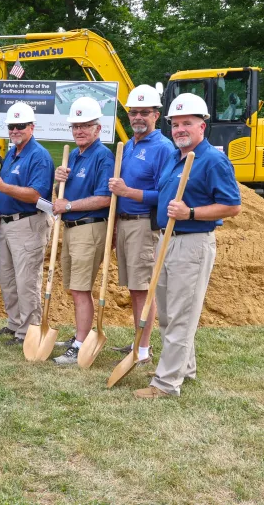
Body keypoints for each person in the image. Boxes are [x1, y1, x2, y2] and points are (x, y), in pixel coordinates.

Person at [134, 93, 241, 398]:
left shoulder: (213, 160)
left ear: (202, 127)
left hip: (192, 244)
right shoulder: (173, 157)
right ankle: (185, 368)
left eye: (187, 123)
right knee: (168, 313)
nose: (180, 129)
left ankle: (166, 385)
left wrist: (190, 212)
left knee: (181, 314)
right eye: (176, 124)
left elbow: (232, 206)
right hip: (167, 241)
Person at [107, 84, 176, 364]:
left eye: (144, 112)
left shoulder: (162, 148)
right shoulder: (130, 145)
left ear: (156, 115)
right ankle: (138, 342)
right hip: (124, 224)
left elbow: (167, 195)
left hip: (143, 226)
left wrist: (129, 193)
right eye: (133, 112)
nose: (137, 117)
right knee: (134, 288)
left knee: (143, 289)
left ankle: (144, 350)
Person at [50, 98, 115, 365]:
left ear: (98, 129)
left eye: (86, 126)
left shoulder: (102, 156)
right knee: (74, 287)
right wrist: (58, 183)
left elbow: (105, 198)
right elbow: (59, 198)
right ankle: (81, 335)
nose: (79, 131)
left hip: (90, 228)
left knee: (80, 288)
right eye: (76, 126)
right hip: (71, 228)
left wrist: (69, 205)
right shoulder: (73, 156)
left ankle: (80, 344)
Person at [0, 102, 54, 344]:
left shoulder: (39, 156)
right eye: (11, 126)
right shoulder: (13, 154)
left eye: (20, 126)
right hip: (6, 224)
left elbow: (37, 195)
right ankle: (15, 324)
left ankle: (29, 331)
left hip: (28, 223)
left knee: (26, 280)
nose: (15, 130)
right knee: (7, 278)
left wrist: (2, 187)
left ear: (31, 127)